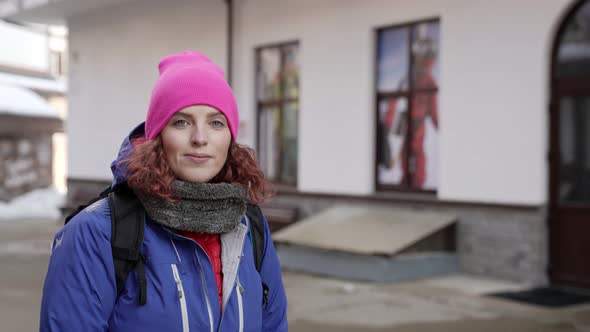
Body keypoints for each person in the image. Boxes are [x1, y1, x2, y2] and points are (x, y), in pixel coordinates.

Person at [39, 51, 288, 331]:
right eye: (181, 122)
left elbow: (274, 324)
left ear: (230, 137)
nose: (200, 138)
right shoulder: (97, 232)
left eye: (216, 122)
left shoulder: (249, 225)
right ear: (157, 136)